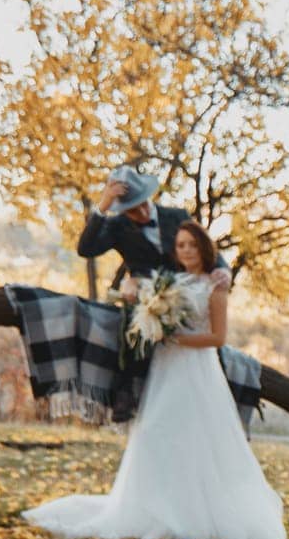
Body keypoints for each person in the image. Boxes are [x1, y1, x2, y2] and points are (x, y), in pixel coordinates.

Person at [24, 221, 286, 539]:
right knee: (153, 433)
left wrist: (175, 337)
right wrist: (140, 303)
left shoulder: (215, 286)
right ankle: (152, 507)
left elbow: (218, 337)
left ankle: (188, 513)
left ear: (203, 248)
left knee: (193, 437)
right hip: (165, 368)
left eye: (192, 244)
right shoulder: (171, 282)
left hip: (196, 370)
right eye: (180, 245)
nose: (186, 251)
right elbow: (143, 297)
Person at [77, 166, 231, 421]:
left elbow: (204, 246)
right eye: (132, 210)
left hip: (186, 293)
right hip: (145, 296)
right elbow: (86, 249)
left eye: (142, 204)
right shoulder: (117, 226)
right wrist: (103, 205)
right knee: (132, 315)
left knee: (205, 342)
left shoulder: (176, 215)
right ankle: (124, 393)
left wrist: (224, 270)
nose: (141, 212)